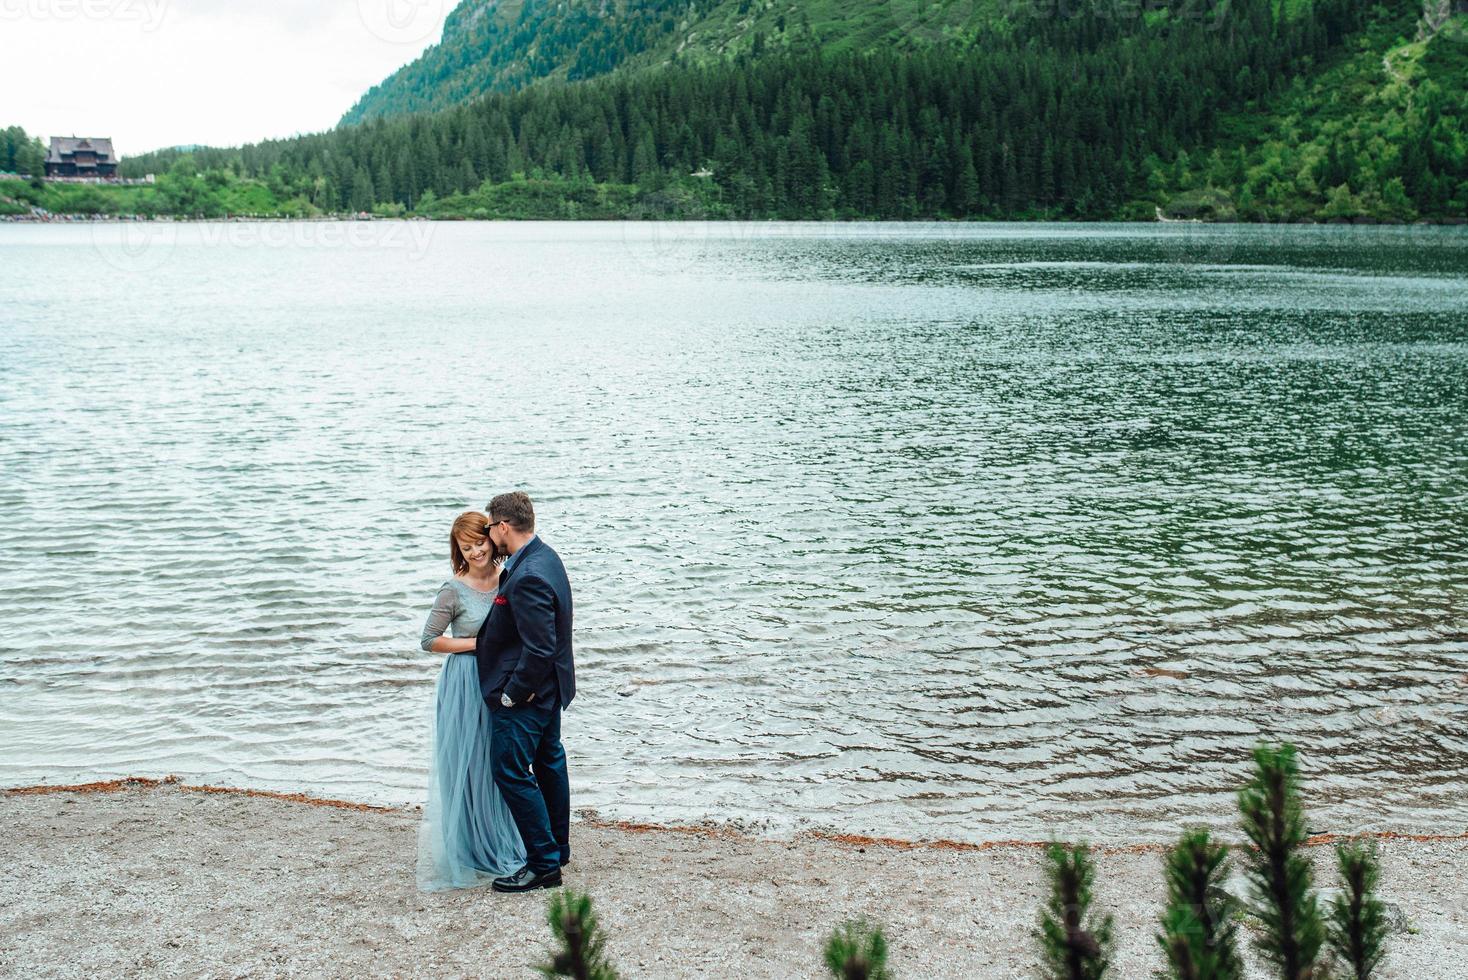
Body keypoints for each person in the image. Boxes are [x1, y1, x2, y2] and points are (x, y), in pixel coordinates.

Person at [415, 511, 526, 891]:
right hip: (465, 682)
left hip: (500, 679)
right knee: (468, 763)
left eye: (480, 542)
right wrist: (479, 645)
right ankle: (471, 846)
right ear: (458, 551)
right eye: (467, 547)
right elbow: (429, 640)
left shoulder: (508, 577)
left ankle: (499, 837)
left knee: (498, 759)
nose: (476, 552)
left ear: (492, 538)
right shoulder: (453, 589)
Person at [475, 491, 576, 893]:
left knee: (511, 772)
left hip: (529, 694)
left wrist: (512, 694)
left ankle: (543, 865)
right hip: (551, 688)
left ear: (502, 526)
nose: (489, 535)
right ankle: (557, 848)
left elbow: (540, 647)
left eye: (490, 527)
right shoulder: (545, 556)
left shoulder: (529, 573)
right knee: (550, 763)